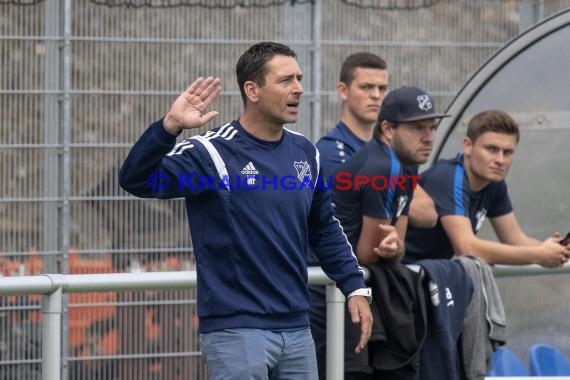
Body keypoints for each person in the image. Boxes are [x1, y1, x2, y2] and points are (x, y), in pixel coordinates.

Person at [119, 41, 373, 380]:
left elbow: (324, 227)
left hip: (297, 327)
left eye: (299, 78)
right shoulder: (211, 153)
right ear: (252, 90)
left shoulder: (305, 153)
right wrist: (169, 128)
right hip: (236, 329)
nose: (298, 88)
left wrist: (354, 285)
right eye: (285, 81)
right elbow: (137, 180)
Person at [331, 85, 450, 379]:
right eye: (417, 128)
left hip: (354, 290)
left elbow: (395, 243)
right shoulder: (382, 166)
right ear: (387, 128)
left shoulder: (406, 165)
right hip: (327, 293)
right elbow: (367, 252)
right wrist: (392, 248)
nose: (428, 137)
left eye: (432, 128)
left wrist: (394, 248)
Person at [404, 109, 570, 266]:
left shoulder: (494, 183)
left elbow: (515, 240)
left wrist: (554, 249)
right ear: (468, 146)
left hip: (428, 277)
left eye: (507, 152)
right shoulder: (449, 176)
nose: (500, 160)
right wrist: (539, 255)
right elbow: (467, 247)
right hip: (398, 274)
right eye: (491, 149)